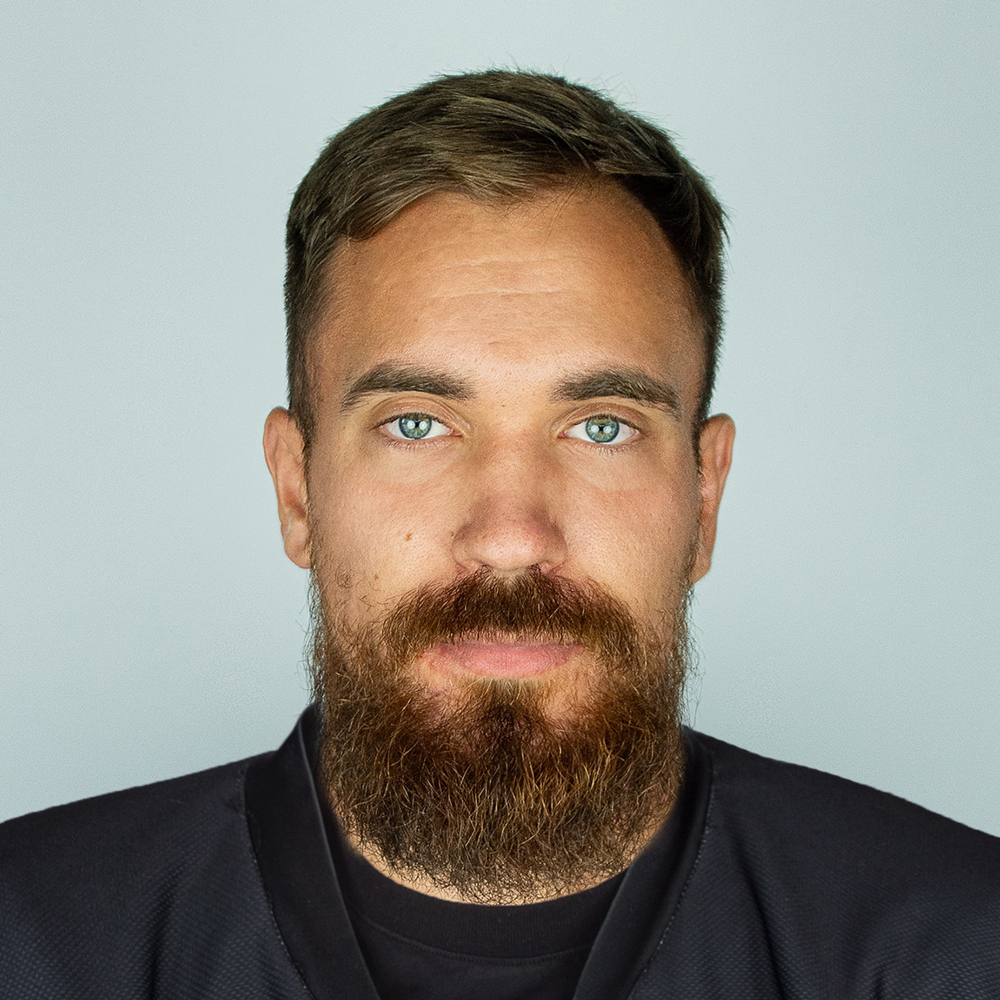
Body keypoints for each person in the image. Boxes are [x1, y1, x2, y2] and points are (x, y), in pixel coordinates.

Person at [1, 69, 997, 1000]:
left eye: (601, 427)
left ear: (704, 499)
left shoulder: (959, 943)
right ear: (297, 489)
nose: (513, 537)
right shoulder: (32, 939)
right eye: (416, 424)